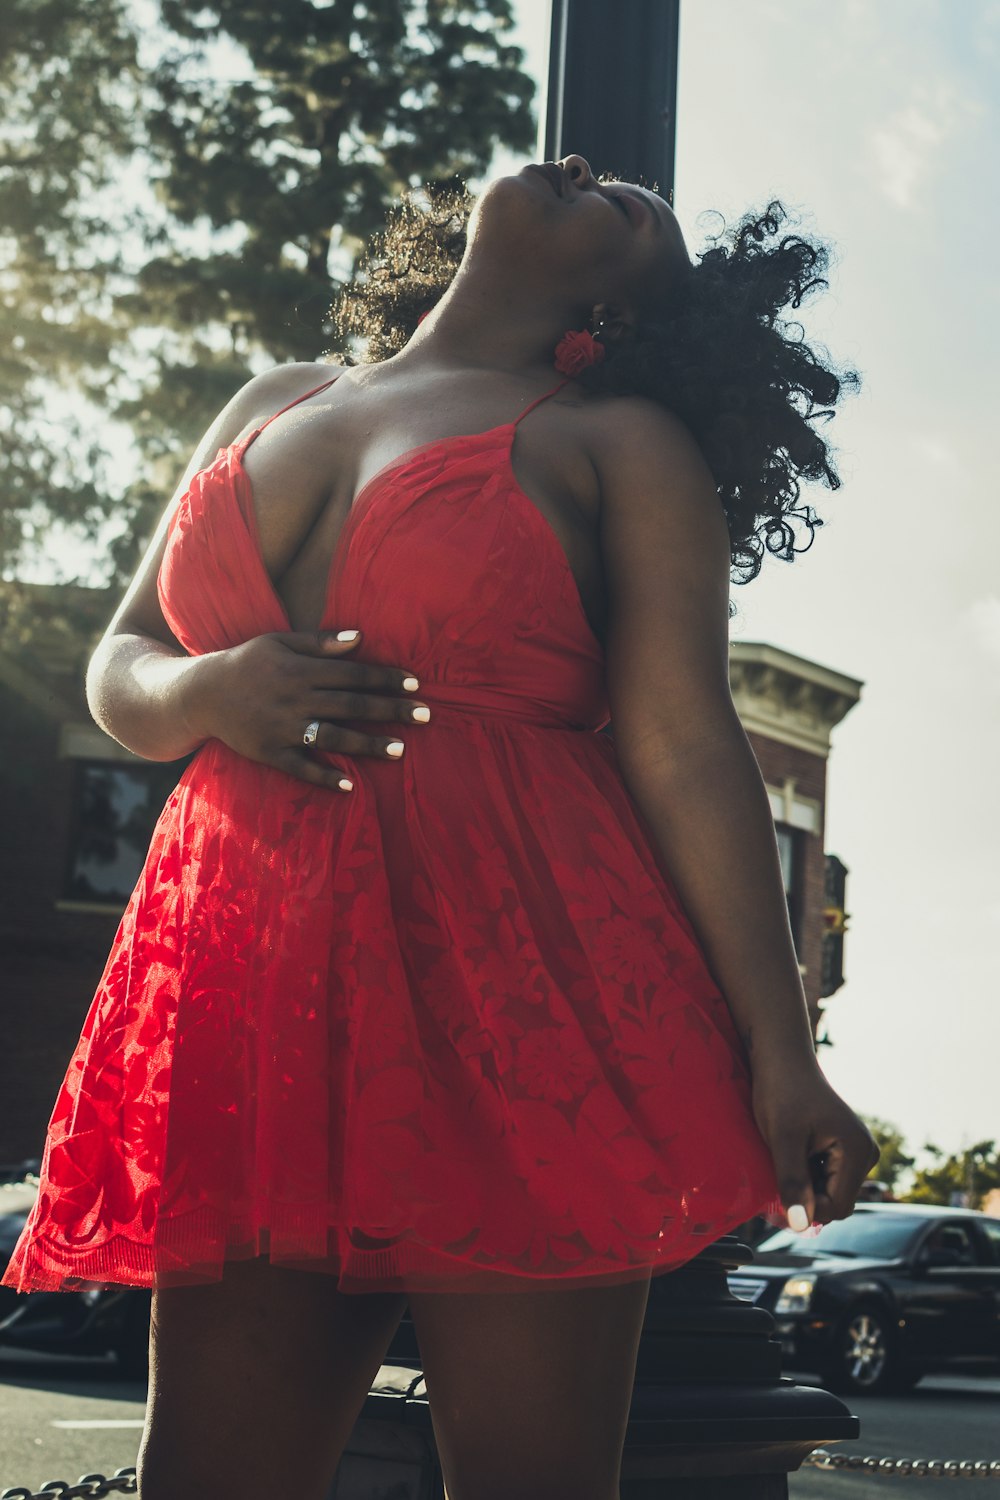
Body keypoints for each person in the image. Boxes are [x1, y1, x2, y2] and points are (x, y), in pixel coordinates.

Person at [3, 155, 879, 1500]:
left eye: (633, 213)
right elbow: (120, 667)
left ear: (621, 315)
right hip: (251, 998)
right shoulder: (275, 398)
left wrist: (785, 1053)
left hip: (520, 997)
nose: (598, 177)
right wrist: (208, 688)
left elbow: (687, 745)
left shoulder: (618, 445)